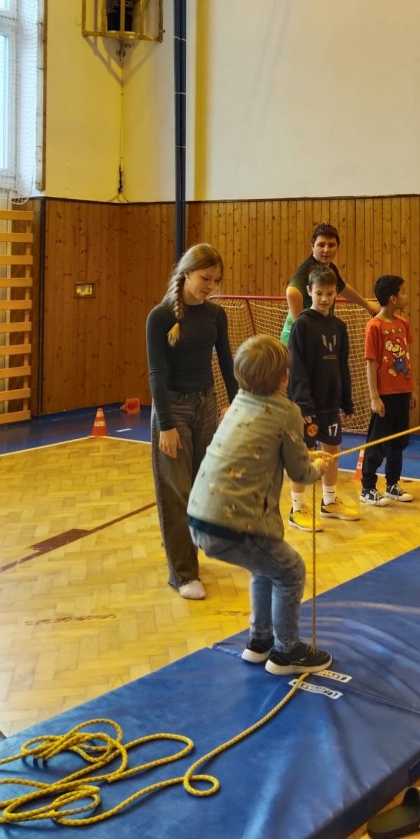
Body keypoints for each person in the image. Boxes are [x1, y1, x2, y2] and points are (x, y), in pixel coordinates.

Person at [188, 335, 333, 675]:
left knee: (266, 567)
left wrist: (306, 454)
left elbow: (268, 446)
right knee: (290, 571)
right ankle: (286, 652)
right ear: (284, 377)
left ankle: (259, 641)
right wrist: (319, 467)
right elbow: (300, 472)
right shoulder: (287, 411)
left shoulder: (239, 402)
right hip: (236, 523)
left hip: (201, 518)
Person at [146, 243, 237, 600]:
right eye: (205, 279)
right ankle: (182, 573)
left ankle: (189, 549)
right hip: (174, 409)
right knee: (176, 492)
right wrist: (166, 425)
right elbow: (156, 373)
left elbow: (226, 362)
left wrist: (236, 405)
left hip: (206, 405)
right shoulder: (160, 316)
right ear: (186, 274)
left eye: (215, 280)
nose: (210, 286)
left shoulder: (215, 314)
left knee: (201, 486)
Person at [287, 265, 359, 530]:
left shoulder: (339, 326)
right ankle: (297, 508)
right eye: (319, 293)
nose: (325, 298)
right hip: (306, 406)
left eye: (329, 293)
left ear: (335, 293)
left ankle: (329, 502)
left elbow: (342, 366)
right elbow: (297, 368)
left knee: (331, 452)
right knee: (303, 456)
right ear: (309, 291)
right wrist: (303, 405)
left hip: (330, 403)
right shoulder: (302, 324)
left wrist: (346, 401)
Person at [361, 274, 416, 506]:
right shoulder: (374, 326)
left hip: (402, 393)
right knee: (378, 442)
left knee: (398, 441)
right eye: (403, 292)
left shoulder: (403, 323)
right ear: (393, 298)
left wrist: (411, 389)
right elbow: (371, 363)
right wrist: (375, 397)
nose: (406, 296)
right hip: (384, 395)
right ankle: (367, 487)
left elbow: (406, 357)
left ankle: (392, 483)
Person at [279, 222, 376, 348]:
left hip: (316, 332)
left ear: (337, 247)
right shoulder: (307, 270)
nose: (326, 250)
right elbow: (291, 292)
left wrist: (367, 305)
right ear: (312, 246)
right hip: (296, 338)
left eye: (331, 245)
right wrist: (303, 329)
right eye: (321, 245)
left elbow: (343, 287)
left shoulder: (330, 268)